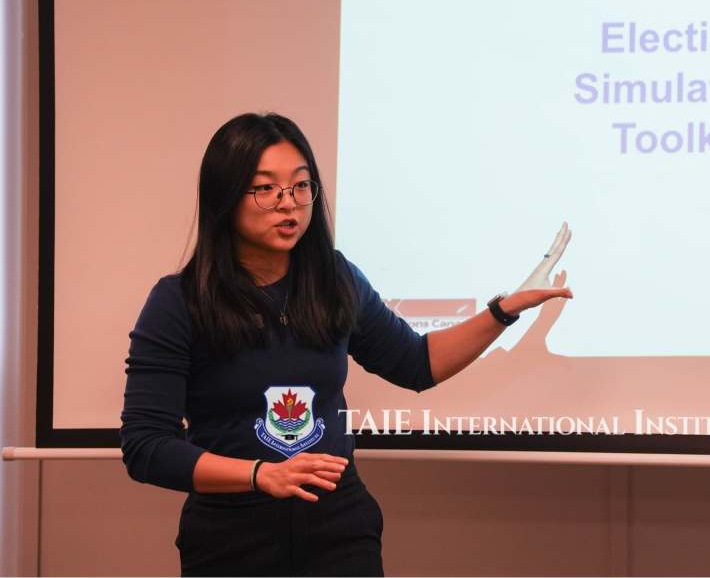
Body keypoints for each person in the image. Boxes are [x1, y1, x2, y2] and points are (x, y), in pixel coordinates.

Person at [119, 112, 573, 576]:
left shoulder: (334, 280)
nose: (288, 204)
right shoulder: (179, 302)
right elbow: (146, 446)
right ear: (225, 196)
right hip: (230, 536)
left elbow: (417, 363)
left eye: (300, 186)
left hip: (338, 530)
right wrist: (261, 474)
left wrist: (504, 310)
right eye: (266, 189)